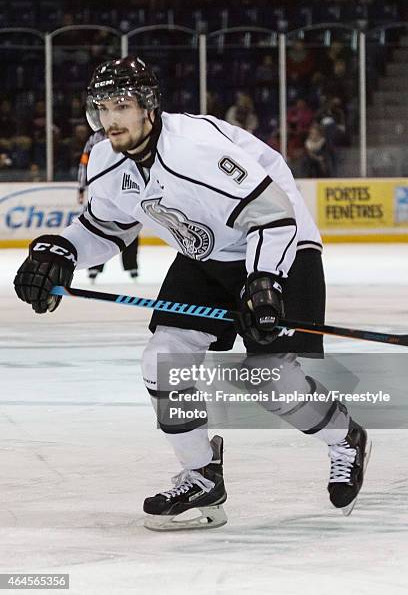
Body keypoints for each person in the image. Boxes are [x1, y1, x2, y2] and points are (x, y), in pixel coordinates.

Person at [14, 57, 371, 531]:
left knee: (267, 378)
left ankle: (345, 437)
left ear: (148, 108)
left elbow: (273, 215)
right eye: (102, 106)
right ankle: (202, 475)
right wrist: (59, 251)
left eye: (122, 105)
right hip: (207, 255)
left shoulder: (195, 148)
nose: (111, 117)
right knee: (162, 357)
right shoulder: (104, 159)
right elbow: (106, 228)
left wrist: (263, 280)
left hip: (281, 245)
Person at [77, 127, 139, 281]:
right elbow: (84, 163)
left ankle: (131, 265)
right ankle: (95, 266)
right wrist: (81, 186)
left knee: (130, 223)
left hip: (124, 187)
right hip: (101, 188)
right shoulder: (94, 139)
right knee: (98, 224)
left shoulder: (128, 133)